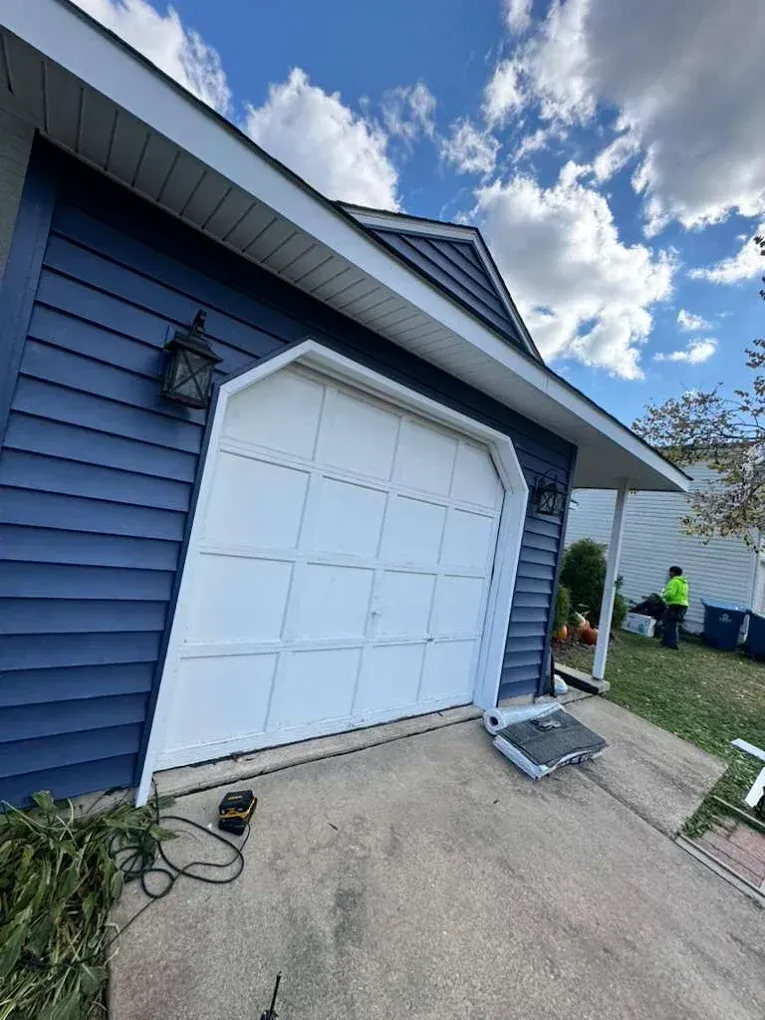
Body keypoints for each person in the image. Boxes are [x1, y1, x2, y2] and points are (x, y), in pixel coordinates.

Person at [661, 566, 689, 649]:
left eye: (670, 572)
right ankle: (671, 641)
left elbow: (670, 594)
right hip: (683, 605)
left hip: (675, 605)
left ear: (673, 572)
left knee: (668, 624)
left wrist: (663, 594)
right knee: (674, 624)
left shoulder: (674, 581)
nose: (669, 574)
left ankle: (670, 643)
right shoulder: (684, 583)